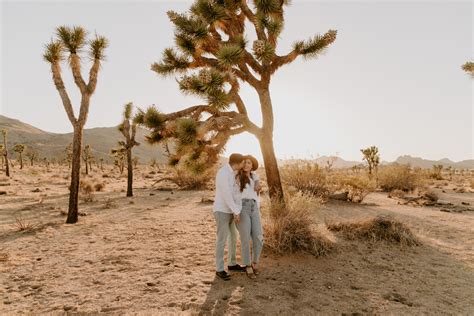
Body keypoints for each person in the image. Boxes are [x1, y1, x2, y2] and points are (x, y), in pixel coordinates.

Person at [213, 153, 246, 281]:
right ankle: (219, 269)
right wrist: (236, 211)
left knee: (233, 237)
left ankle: (232, 263)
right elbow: (226, 195)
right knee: (221, 239)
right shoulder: (223, 173)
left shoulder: (233, 174)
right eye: (242, 163)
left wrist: (236, 210)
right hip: (221, 210)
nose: (243, 165)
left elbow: (235, 194)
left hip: (231, 211)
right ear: (237, 163)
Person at [235, 155, 264, 279]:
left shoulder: (254, 176)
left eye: (249, 163)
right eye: (245, 162)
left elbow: (257, 187)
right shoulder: (237, 177)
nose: (246, 165)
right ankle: (247, 265)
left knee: (259, 237)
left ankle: (255, 262)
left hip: (254, 208)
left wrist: (257, 183)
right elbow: (234, 195)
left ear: (252, 166)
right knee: (245, 238)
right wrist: (235, 211)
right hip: (242, 207)